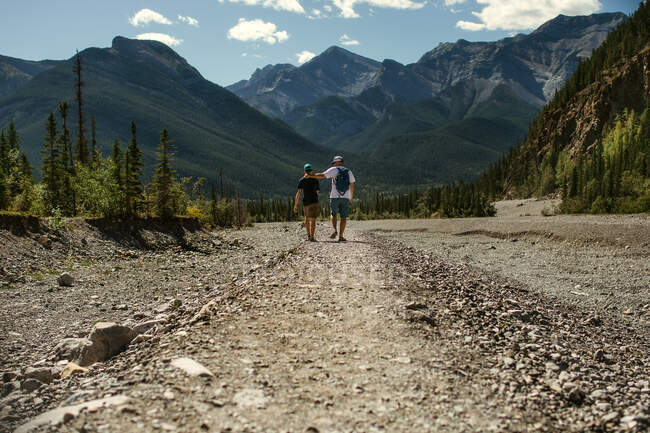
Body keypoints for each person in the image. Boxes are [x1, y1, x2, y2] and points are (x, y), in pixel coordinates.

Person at [307, 155, 355, 242]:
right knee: (344, 217)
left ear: (337, 162)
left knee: (333, 214)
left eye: (334, 163)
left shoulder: (334, 170)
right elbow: (352, 185)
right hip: (346, 197)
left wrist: (311, 176)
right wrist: (350, 198)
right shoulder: (349, 171)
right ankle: (341, 236)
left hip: (334, 196)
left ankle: (334, 230)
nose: (333, 164)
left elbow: (322, 175)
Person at [294, 163, 320, 241]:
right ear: (311, 171)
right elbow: (318, 191)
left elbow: (298, 193)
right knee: (313, 220)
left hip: (306, 202)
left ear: (304, 171)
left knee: (307, 219)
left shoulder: (302, 180)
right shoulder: (315, 180)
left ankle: (308, 236)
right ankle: (312, 237)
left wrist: (295, 205)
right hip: (314, 201)